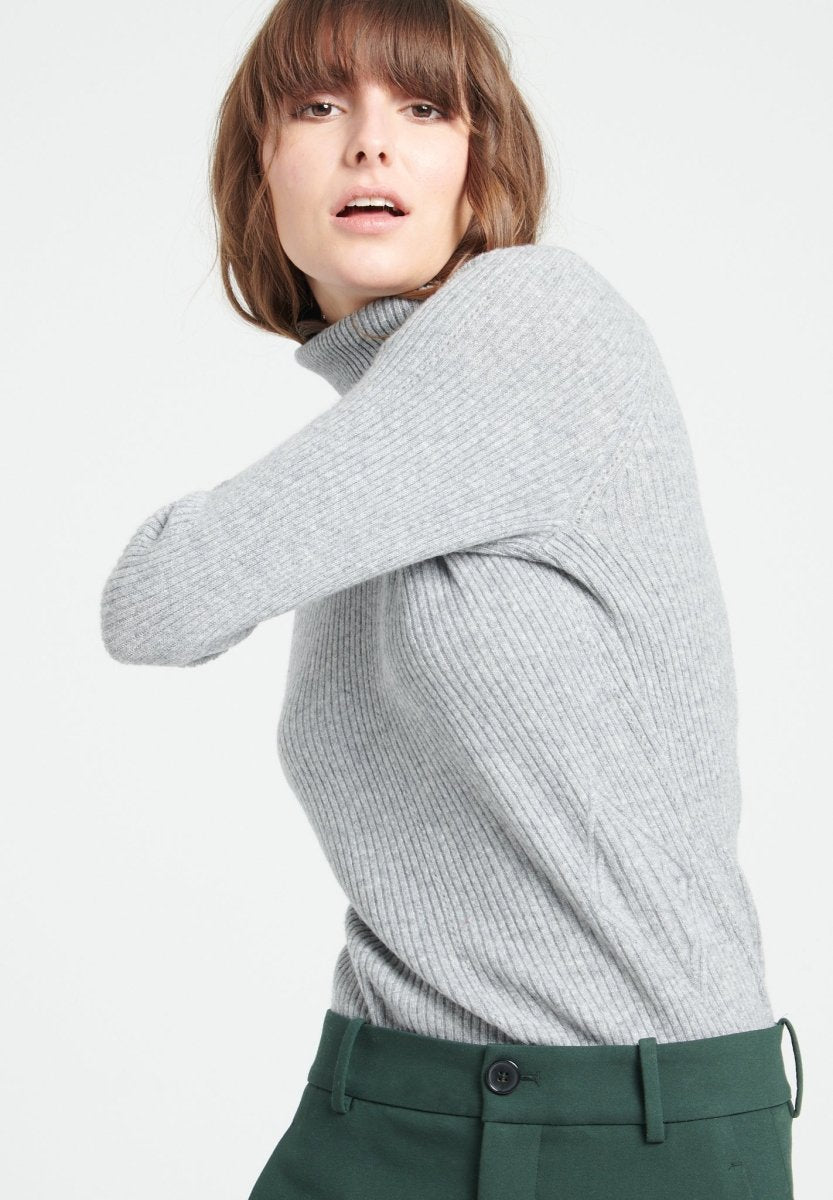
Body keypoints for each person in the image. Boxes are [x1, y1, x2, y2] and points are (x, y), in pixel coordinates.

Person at [99, 0, 804, 1196]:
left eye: (423, 108)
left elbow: (159, 597)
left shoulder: (532, 320)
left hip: (628, 1126)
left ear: (479, 175)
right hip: (383, 1093)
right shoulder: (382, 458)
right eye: (318, 107)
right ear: (260, 174)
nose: (369, 141)